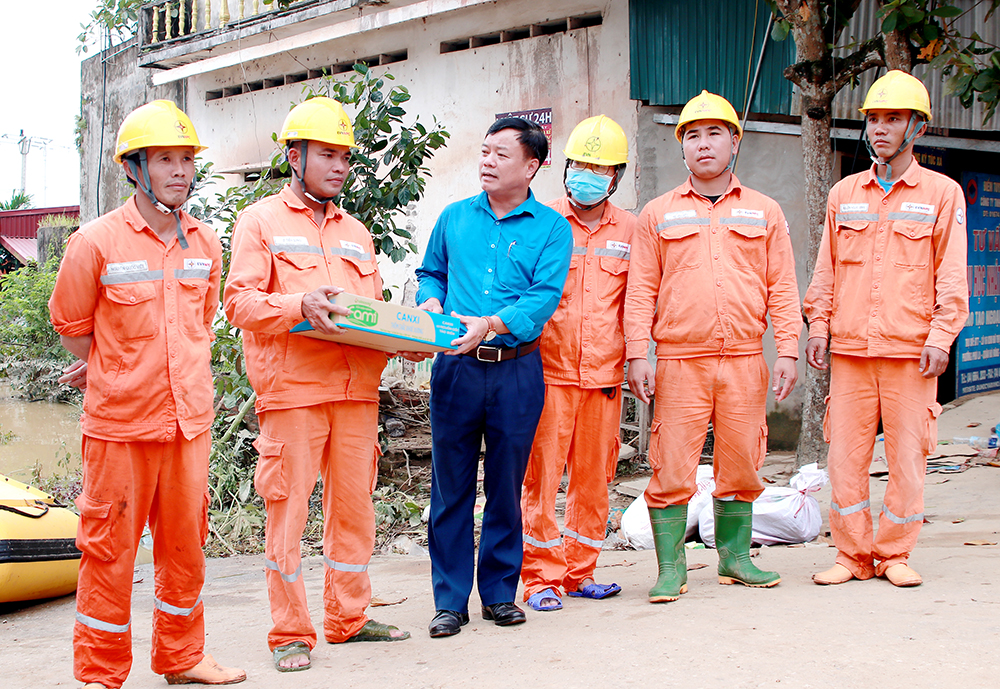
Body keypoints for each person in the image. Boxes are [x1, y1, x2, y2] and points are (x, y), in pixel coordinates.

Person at [48, 100, 246, 688]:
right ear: (135, 167)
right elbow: (71, 326)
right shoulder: (94, 243)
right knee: (109, 553)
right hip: (119, 430)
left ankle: (183, 658)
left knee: (186, 547)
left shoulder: (205, 243)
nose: (180, 171)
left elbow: (202, 323)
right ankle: (101, 672)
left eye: (186, 159)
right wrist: (115, 367)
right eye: (166, 159)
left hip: (189, 425)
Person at [223, 97, 408, 673]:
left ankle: (348, 617)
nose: (338, 167)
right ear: (294, 154)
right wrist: (296, 303)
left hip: (356, 391)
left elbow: (370, 312)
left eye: (345, 158)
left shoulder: (357, 232)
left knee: (354, 510)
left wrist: (408, 332)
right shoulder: (260, 221)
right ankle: (290, 633)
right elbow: (239, 303)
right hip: (294, 391)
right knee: (289, 514)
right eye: (326, 154)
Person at [624, 91, 801, 603]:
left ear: (734, 142)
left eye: (714, 133)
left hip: (745, 357)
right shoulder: (657, 214)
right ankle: (671, 568)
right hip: (680, 361)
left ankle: (735, 558)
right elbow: (641, 290)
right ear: (683, 149)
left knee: (742, 460)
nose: (704, 145)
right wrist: (640, 352)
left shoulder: (765, 211)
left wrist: (786, 348)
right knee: (671, 464)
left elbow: (783, 287)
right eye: (693, 136)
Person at [803, 71, 969, 588]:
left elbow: (952, 274)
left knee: (907, 459)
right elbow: (826, 268)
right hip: (851, 351)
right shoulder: (844, 194)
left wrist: (942, 339)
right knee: (844, 458)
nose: (879, 129)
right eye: (873, 119)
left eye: (892, 119)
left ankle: (894, 553)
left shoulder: (942, 194)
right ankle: (851, 556)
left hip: (910, 352)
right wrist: (817, 328)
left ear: (915, 127)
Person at [408, 117, 572, 637]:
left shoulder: (551, 228)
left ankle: (500, 593)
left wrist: (492, 325)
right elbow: (430, 272)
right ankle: (449, 600)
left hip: (516, 370)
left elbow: (543, 298)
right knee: (450, 487)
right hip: (455, 368)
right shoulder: (454, 218)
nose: (487, 161)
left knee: (505, 486)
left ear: (531, 166)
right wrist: (430, 300)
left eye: (501, 154)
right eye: (484, 151)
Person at [519, 115, 638, 612]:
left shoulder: (632, 229)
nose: (587, 174)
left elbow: (638, 301)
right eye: (580, 164)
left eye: (599, 167)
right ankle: (540, 577)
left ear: (616, 176)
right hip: (549, 374)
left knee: (594, 479)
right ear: (564, 167)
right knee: (541, 479)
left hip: (605, 379)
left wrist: (637, 362)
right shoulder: (543, 222)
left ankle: (580, 570)